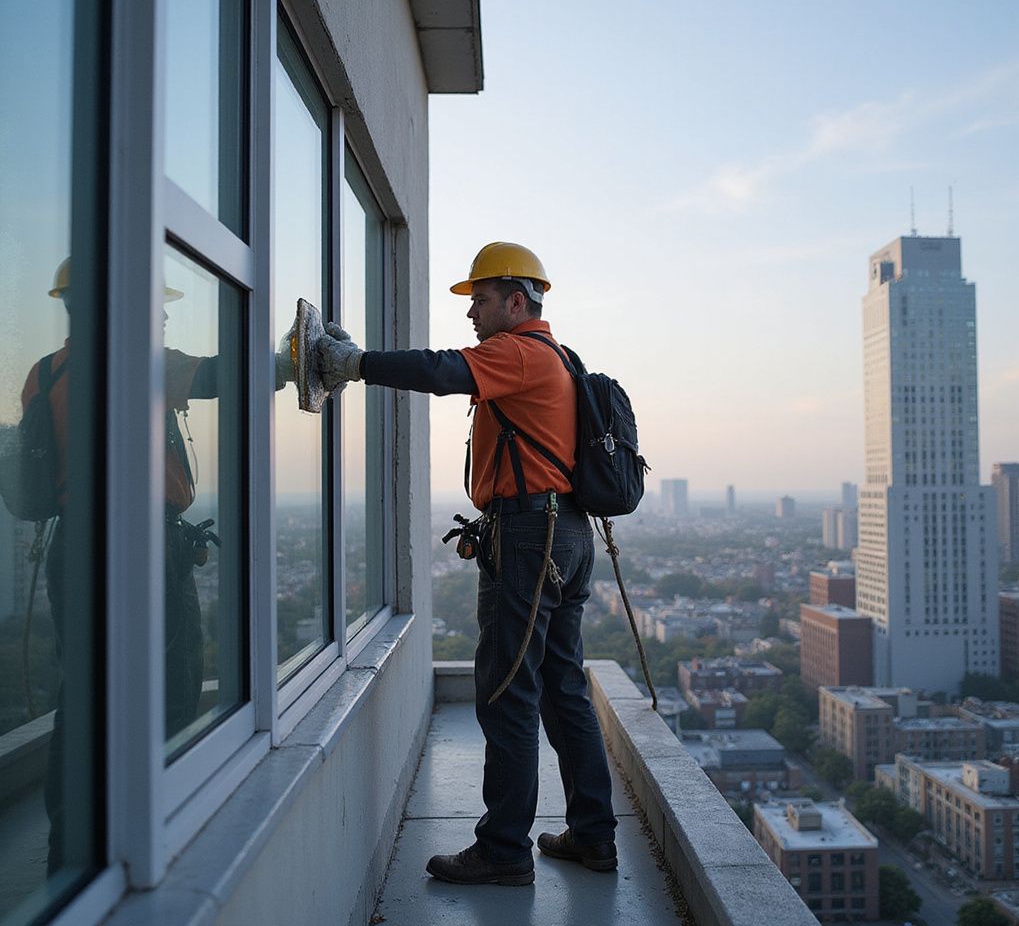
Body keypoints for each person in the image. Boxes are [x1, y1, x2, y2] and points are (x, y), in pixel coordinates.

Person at [317, 241, 617, 886]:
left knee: (509, 692)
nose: (472, 313)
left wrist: (355, 362)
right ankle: (594, 836)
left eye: (479, 299)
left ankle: (504, 850)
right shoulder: (557, 357)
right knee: (564, 690)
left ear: (517, 301)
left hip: (532, 539)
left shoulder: (517, 352)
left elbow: (442, 371)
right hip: (566, 533)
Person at [19, 258, 294, 872]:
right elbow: (224, 375)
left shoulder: (43, 374)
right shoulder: (135, 362)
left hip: (75, 545)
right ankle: (158, 828)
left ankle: (72, 849)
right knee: (170, 688)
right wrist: (295, 364)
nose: (163, 314)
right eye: (154, 303)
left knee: (84, 693)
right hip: (139, 540)